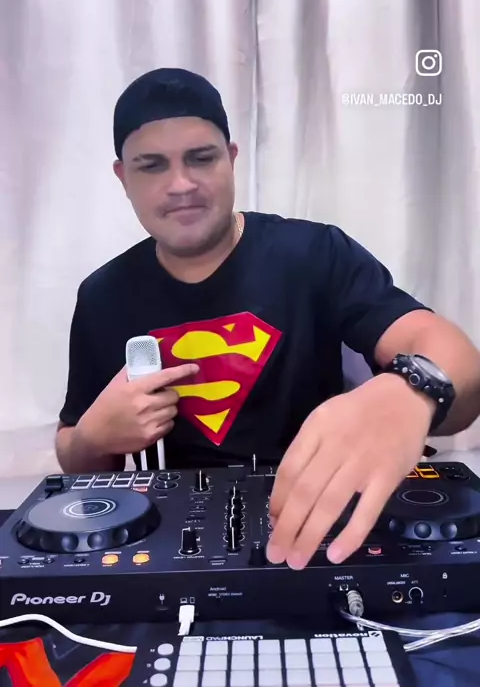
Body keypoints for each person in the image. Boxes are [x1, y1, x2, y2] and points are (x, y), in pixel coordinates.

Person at [55, 68, 480, 569]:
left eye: (201, 158)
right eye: (152, 166)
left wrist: (411, 391)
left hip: (325, 511)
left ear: (232, 159)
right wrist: (93, 438)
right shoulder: (103, 295)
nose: (181, 184)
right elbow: (76, 456)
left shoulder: (315, 253)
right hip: (178, 537)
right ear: (123, 178)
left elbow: (455, 360)